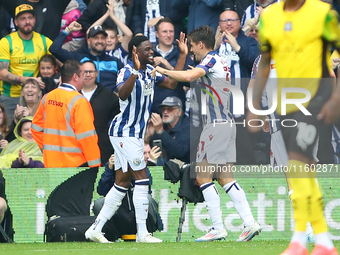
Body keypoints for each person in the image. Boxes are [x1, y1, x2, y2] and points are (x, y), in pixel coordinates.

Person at [153, 25, 261, 242]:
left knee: (202, 176)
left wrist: (164, 70)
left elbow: (191, 74)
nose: (192, 51)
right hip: (226, 124)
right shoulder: (219, 59)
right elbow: (199, 73)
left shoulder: (210, 61)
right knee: (224, 178)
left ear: (201, 44)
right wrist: (185, 56)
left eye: (192, 47)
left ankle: (217, 227)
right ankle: (249, 223)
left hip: (216, 126)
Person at [249, 0, 340, 254]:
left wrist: (334, 98)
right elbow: (264, 63)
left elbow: (333, 64)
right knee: (299, 169)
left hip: (312, 103)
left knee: (299, 165)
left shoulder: (322, 14)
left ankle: (306, 238)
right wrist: (254, 107)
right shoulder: (270, 17)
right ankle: (319, 240)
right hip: (281, 112)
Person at [85, 33, 187, 243]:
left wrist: (183, 55)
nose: (152, 52)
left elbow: (170, 83)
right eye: (147, 49)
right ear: (135, 52)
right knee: (142, 179)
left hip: (133, 134)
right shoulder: (125, 71)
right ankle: (142, 233)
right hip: (124, 132)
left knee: (122, 183)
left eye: (152, 49)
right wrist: (135, 69)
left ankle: (95, 229)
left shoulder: (151, 71)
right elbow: (122, 94)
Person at [31, 59, 101, 168]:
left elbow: (35, 129)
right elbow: (87, 137)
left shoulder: (48, 97)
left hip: (51, 163)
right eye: (83, 74)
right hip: (75, 166)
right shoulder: (79, 101)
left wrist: (47, 149)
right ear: (75, 77)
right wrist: (95, 165)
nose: (85, 78)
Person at [215, 10, 259, 165]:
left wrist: (237, 47)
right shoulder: (214, 43)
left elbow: (256, 62)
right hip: (218, 108)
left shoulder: (249, 42)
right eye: (224, 20)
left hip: (243, 106)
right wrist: (215, 46)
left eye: (232, 20)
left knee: (244, 153)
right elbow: (199, 65)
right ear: (219, 25)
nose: (228, 23)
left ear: (240, 23)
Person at [92, 143, 162, 241]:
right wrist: (110, 169)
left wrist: (133, 166)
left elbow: (147, 185)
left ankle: (146, 233)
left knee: (149, 199)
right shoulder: (112, 169)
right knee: (99, 203)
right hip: (118, 211)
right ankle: (110, 236)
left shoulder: (140, 165)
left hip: (137, 209)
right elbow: (101, 190)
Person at [0, 4, 52, 121]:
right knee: (6, 133)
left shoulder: (44, 41)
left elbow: (60, 61)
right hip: (10, 96)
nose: (27, 21)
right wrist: (28, 80)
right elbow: (1, 73)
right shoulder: (6, 42)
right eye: (23, 19)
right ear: (16, 22)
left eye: (30, 18)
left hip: (34, 97)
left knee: (33, 133)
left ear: (34, 20)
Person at [49, 21, 124, 92]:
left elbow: (125, 83)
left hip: (109, 102)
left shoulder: (115, 62)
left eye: (103, 38)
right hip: (82, 101)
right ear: (88, 41)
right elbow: (54, 49)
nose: (100, 41)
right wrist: (68, 30)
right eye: (96, 38)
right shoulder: (78, 59)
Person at [81, 60, 120, 165]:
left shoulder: (108, 95)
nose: (88, 75)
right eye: (84, 72)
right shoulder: (72, 94)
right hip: (78, 151)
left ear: (97, 73)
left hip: (102, 150)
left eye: (91, 72)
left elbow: (120, 118)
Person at [152, 17, 194, 114]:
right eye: (164, 32)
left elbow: (191, 82)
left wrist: (168, 66)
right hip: (153, 109)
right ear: (157, 34)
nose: (168, 35)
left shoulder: (182, 53)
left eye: (171, 31)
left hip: (176, 109)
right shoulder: (149, 53)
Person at [146, 96, 190, 165]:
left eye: (170, 109)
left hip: (183, 168)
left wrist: (161, 132)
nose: (165, 112)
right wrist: (148, 137)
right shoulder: (161, 125)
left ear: (179, 112)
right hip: (162, 166)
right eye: (163, 109)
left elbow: (180, 151)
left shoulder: (189, 127)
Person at [0, 0, 71, 40]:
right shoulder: (15, 2)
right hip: (22, 56)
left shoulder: (56, 2)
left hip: (49, 59)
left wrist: (82, 22)